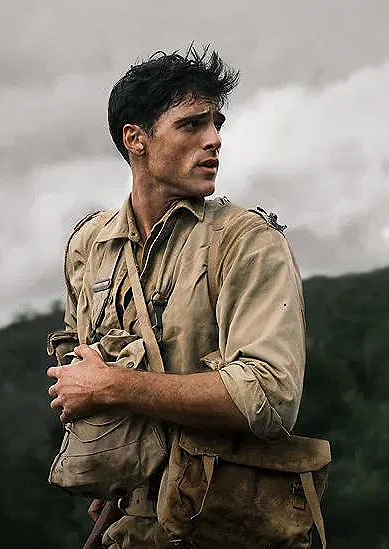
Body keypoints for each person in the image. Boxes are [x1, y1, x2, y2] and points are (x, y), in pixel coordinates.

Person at [46, 45, 309, 548]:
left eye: (217, 123)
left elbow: (270, 398)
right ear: (136, 141)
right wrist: (114, 460)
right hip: (131, 526)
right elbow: (81, 378)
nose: (214, 140)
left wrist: (116, 386)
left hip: (232, 527)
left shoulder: (245, 241)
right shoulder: (89, 246)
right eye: (191, 125)